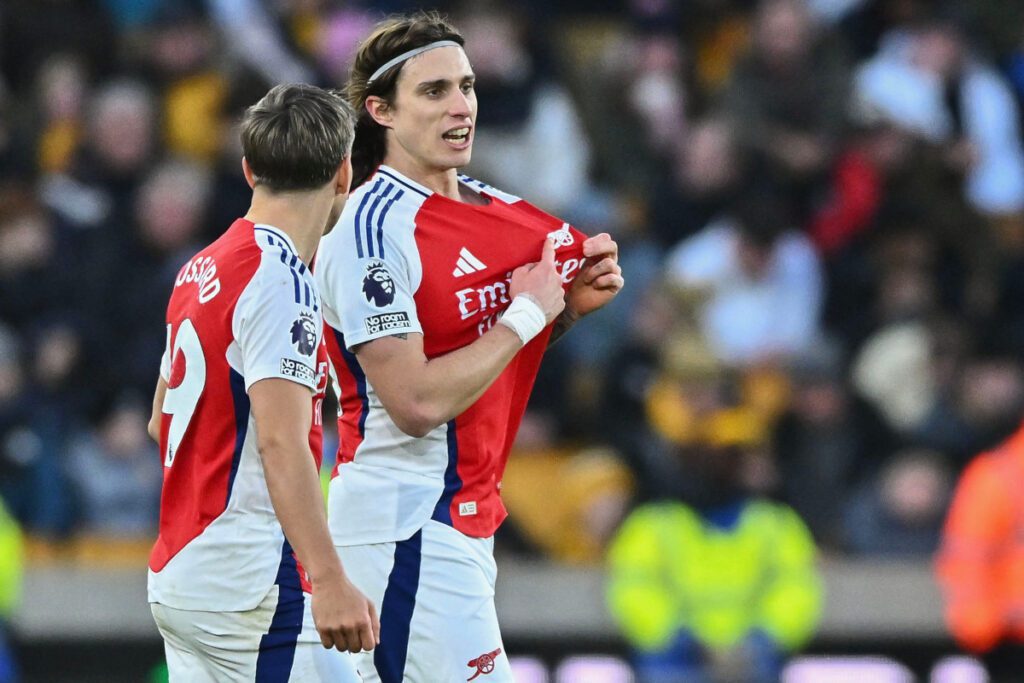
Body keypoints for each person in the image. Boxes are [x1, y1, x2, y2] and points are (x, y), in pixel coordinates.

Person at [315, 12, 623, 682]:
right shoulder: (369, 234)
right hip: (405, 522)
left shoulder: (497, 211)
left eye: (468, 85)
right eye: (434, 91)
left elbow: (483, 354)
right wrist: (528, 312)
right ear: (381, 111)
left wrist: (563, 310)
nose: (461, 107)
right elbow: (417, 401)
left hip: (457, 518)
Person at [146, 83, 376, 682]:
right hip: (250, 580)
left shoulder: (201, 266)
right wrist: (327, 580)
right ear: (344, 173)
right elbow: (280, 443)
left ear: (250, 170)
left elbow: (159, 420)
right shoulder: (280, 281)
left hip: (181, 569)